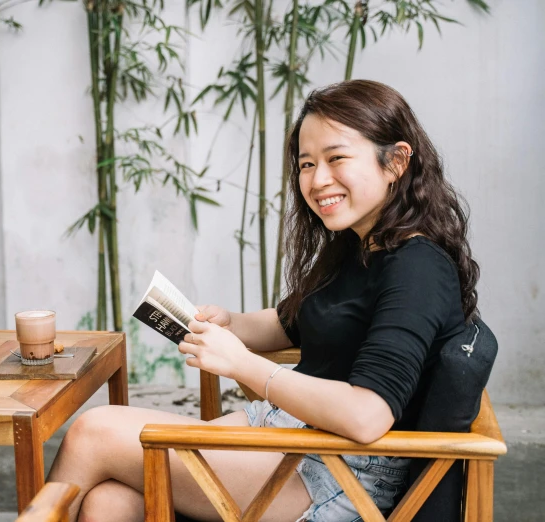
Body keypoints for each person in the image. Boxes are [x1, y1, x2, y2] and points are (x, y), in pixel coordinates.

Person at [47, 79, 479, 522]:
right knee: (109, 503)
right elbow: (290, 322)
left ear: (396, 161)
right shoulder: (360, 244)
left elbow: (368, 416)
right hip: (295, 436)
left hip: (340, 473)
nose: (317, 180)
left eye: (336, 159)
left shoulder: (417, 268)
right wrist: (230, 324)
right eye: (306, 164)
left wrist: (243, 364)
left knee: (93, 432)